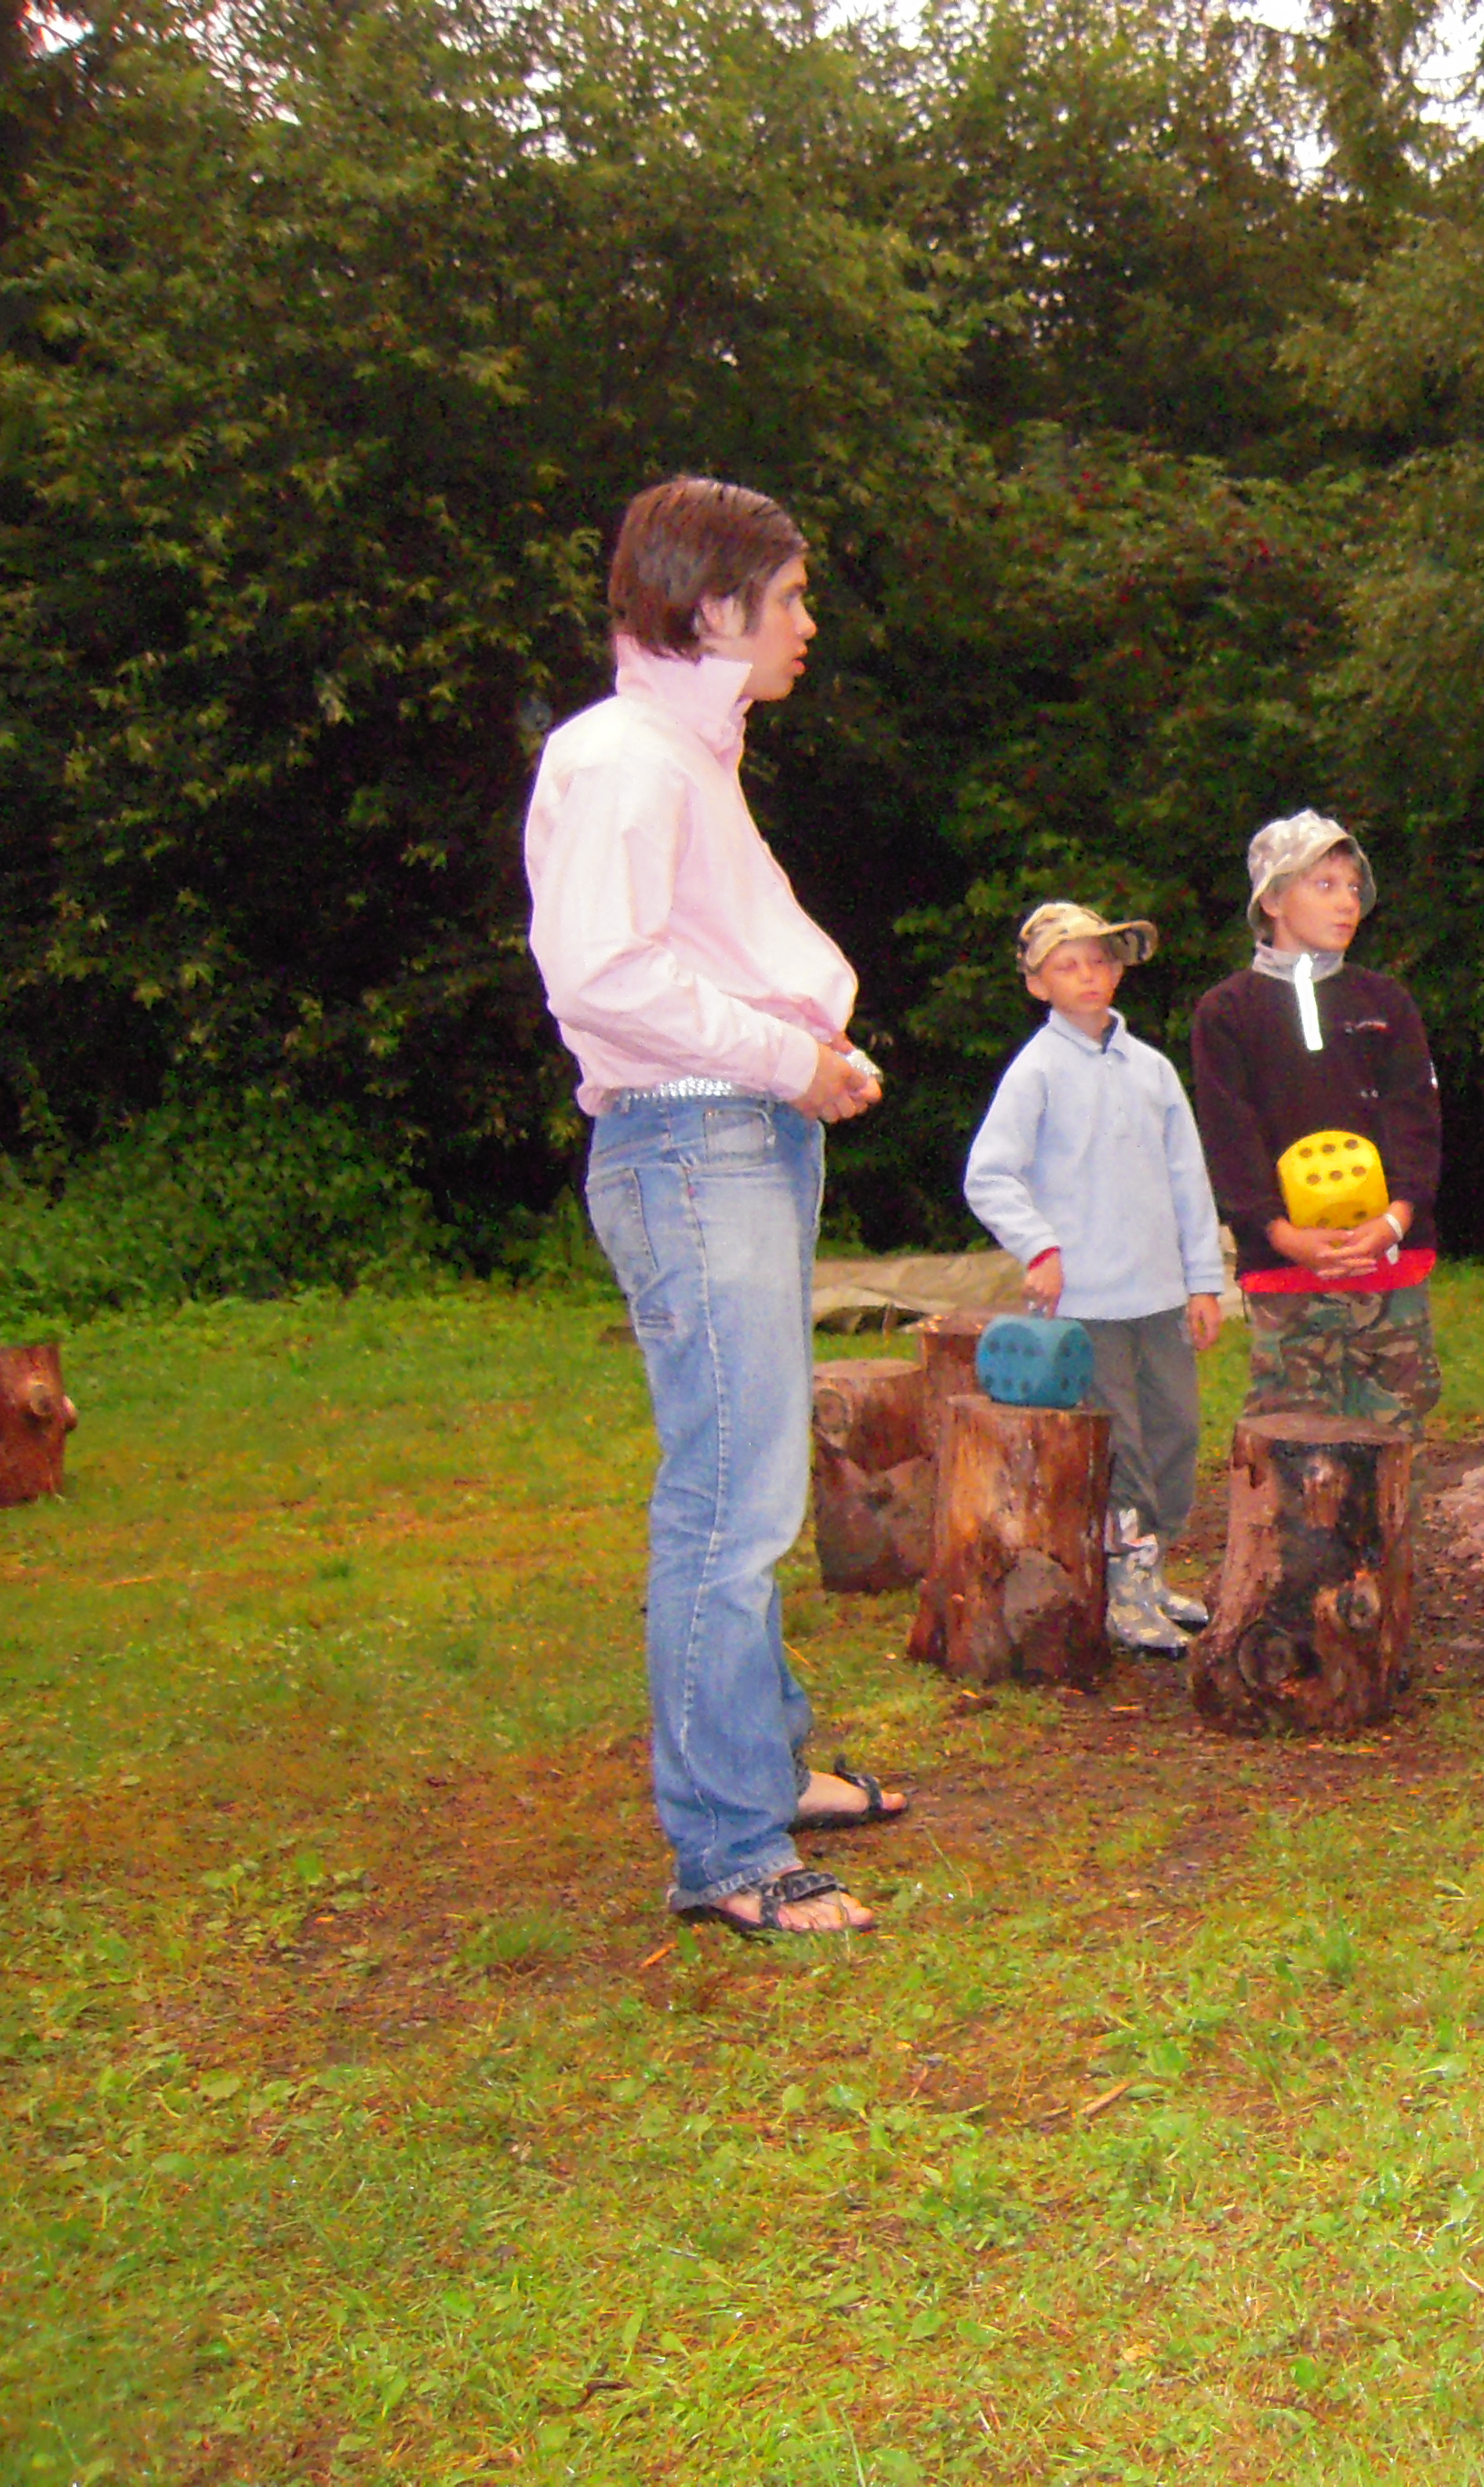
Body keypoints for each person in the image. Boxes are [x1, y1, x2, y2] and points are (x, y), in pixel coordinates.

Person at [524, 474, 902, 1941]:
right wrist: (787, 1060)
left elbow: (707, 960)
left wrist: (810, 1060)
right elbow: (603, 975)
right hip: (694, 1146)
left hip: (732, 1137)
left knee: (751, 1483)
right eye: (791, 598)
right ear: (717, 607)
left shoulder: (688, 757)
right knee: (727, 1503)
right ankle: (729, 1849)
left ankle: (761, 1766)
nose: (807, 623)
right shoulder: (623, 758)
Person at [962, 901, 1228, 1657]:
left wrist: (1204, 1281)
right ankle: (1122, 1592)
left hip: (1160, 1297)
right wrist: (1039, 1247)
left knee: (1175, 1435)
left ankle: (1152, 1571)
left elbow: (1188, 1179)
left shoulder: (1152, 1069)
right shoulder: (1036, 1071)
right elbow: (990, 1175)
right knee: (1122, 1451)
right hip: (1087, 1304)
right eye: (1066, 965)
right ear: (1037, 984)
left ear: (1118, 971)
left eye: (1100, 961)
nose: (1087, 976)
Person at [1189, 812, 1445, 1430]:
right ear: (1273, 900)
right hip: (1286, 1268)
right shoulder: (1227, 1012)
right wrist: (1281, 1233)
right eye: (1324, 885)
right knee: (1293, 1440)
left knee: (1394, 1434)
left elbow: (1416, 1119)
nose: (1347, 902)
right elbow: (1230, 1139)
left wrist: (1397, 1217)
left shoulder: (1386, 1002)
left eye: (1353, 887)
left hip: (1390, 1260)